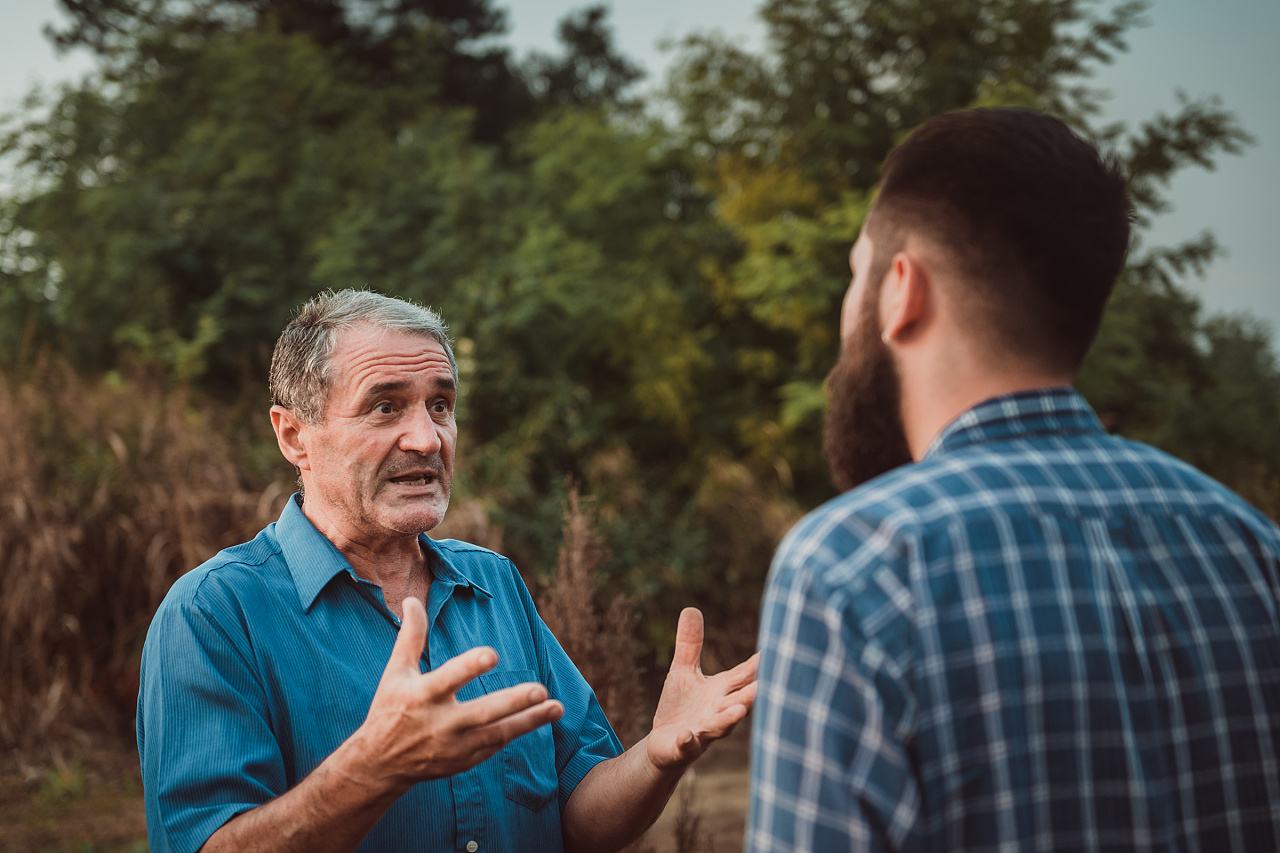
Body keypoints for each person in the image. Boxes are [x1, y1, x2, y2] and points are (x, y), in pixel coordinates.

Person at [747, 107, 1280, 852]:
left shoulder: (853, 570)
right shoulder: (1254, 547)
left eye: (855, 275)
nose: (848, 310)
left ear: (902, 290)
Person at [137, 290, 759, 853]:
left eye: (440, 405)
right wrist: (373, 769)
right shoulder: (214, 614)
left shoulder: (493, 586)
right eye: (385, 407)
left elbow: (579, 818)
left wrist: (657, 756)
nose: (427, 439)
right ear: (295, 436)